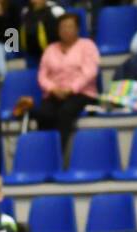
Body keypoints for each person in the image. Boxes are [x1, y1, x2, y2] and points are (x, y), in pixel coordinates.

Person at [34, 13, 100, 152]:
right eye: (62, 27)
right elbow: (42, 75)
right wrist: (52, 89)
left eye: (70, 26)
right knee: (43, 113)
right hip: (55, 93)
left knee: (65, 112)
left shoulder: (87, 46)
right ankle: (43, 153)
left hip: (82, 93)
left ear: (77, 29)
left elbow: (90, 72)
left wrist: (71, 89)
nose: (65, 30)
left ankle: (58, 154)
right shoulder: (50, 49)